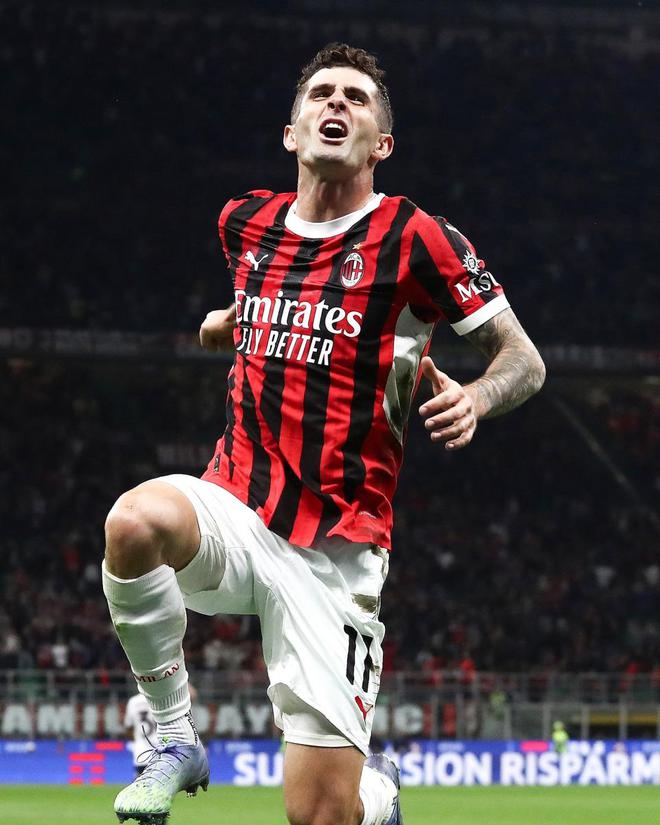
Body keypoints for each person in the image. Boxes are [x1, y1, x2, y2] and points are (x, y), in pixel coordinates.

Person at [102, 43, 546, 825]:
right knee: (134, 522)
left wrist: (477, 398)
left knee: (321, 816)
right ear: (292, 131)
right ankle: (172, 734)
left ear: (382, 144)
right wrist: (230, 321)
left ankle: (378, 792)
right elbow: (272, 297)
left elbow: (525, 359)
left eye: (356, 97)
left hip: (337, 549)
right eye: (321, 93)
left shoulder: (417, 237)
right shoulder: (245, 223)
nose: (336, 103)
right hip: (239, 505)